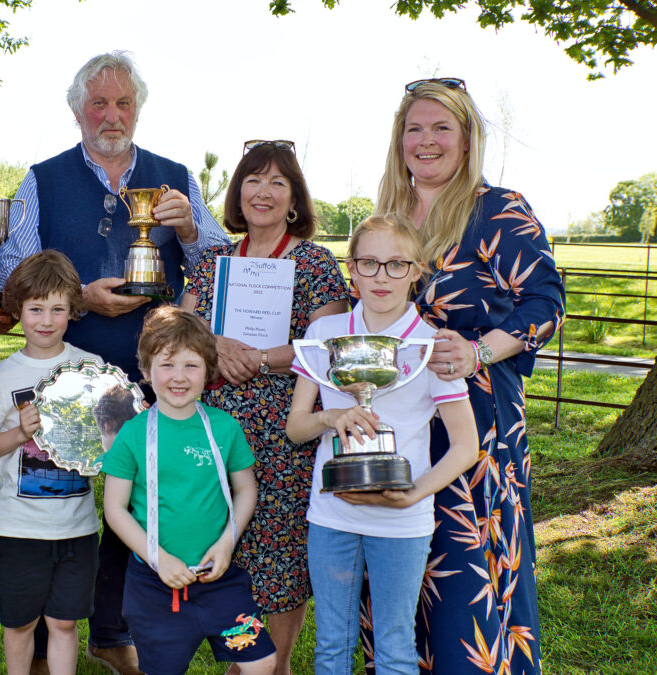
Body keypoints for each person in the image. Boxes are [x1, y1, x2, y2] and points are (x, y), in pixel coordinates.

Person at [0, 50, 230, 674]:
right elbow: (8, 270)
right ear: (77, 111)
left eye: (123, 102)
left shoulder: (174, 178)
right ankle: (47, 639)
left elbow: (221, 263)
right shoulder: (40, 180)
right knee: (58, 499)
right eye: (99, 102)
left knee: (141, 496)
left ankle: (114, 629)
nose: (112, 114)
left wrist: (190, 233)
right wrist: (77, 301)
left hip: (154, 375)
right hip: (62, 371)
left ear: (138, 109)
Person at [369, 78, 565, 674]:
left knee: (463, 578)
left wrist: (479, 351)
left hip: (474, 429)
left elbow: (546, 302)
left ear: (465, 138)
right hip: (400, 423)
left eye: (440, 128)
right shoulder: (389, 218)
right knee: (398, 577)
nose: (426, 141)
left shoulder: (497, 210)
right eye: (414, 129)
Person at [180, 140, 348, 672]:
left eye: (278, 182)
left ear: (295, 197)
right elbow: (179, 330)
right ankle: (243, 660)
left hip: (285, 434)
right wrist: (215, 347)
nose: (264, 192)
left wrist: (256, 357)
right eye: (253, 180)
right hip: (212, 430)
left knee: (278, 558)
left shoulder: (314, 261)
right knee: (231, 551)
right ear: (238, 191)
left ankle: (274, 665)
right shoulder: (212, 260)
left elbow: (330, 341)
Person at [285, 215, 479, 674]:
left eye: (396, 265)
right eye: (369, 263)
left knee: (394, 645)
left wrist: (414, 493)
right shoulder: (321, 336)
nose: (381, 277)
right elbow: (296, 428)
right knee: (332, 645)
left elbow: (465, 445)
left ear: (417, 271)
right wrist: (330, 417)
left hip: (402, 520)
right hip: (331, 513)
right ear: (351, 268)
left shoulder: (433, 346)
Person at [101, 306, 277, 675]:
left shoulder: (224, 428)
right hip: (155, 588)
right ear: (147, 372)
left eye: (191, 365)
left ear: (208, 371)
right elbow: (115, 509)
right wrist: (157, 558)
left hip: (220, 582)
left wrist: (228, 541)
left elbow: (246, 490)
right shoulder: (132, 434)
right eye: (167, 365)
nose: (179, 377)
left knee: (262, 663)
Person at [0, 250, 102, 675]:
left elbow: (114, 444)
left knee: (64, 621)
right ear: (18, 310)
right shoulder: (5, 374)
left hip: (78, 525)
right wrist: (21, 434)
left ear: (73, 311)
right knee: (21, 622)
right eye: (36, 309)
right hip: (19, 527)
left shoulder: (92, 368)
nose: (46, 320)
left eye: (58, 309)